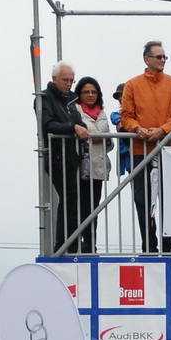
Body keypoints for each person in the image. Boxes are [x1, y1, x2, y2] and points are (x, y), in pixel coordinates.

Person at [118, 41, 171, 254]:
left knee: (169, 199)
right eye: (159, 57)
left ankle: (168, 246)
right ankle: (148, 245)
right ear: (147, 59)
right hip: (141, 150)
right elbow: (126, 116)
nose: (163, 60)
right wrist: (138, 129)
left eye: (165, 57)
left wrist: (162, 130)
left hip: (169, 150)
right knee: (142, 200)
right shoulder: (132, 85)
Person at [40, 62, 83, 254]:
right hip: (57, 156)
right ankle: (62, 244)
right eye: (65, 80)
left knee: (75, 200)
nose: (69, 84)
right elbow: (48, 124)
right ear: (54, 79)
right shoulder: (45, 98)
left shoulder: (71, 100)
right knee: (67, 198)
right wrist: (72, 128)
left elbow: (79, 122)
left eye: (72, 81)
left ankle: (73, 243)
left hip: (72, 157)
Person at [71, 76, 115, 255]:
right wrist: (96, 136)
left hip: (99, 166)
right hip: (81, 166)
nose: (90, 95)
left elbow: (109, 142)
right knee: (79, 207)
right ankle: (77, 244)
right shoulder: (75, 111)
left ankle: (91, 245)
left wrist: (103, 138)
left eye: (93, 92)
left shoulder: (102, 113)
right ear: (79, 94)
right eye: (86, 92)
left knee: (93, 209)